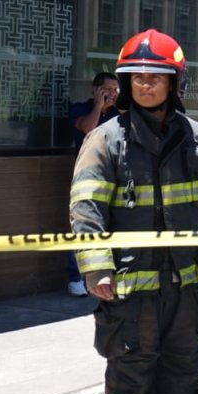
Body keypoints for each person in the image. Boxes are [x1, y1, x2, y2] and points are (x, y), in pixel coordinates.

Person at [70, 29, 198, 394]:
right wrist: (96, 268)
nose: (145, 85)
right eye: (138, 78)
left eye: (155, 77)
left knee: (180, 382)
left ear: (174, 83)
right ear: (127, 83)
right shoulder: (105, 140)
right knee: (129, 388)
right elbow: (85, 208)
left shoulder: (196, 137)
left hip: (186, 289)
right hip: (131, 294)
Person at [65, 72, 120, 296]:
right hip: (88, 176)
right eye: (107, 90)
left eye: (116, 90)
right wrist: (98, 106)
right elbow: (88, 128)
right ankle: (76, 277)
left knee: (115, 223)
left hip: (116, 176)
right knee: (85, 222)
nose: (112, 94)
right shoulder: (81, 109)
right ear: (95, 90)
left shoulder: (120, 113)